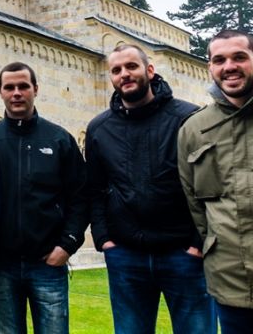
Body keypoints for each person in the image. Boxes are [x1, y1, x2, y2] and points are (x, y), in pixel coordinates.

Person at [85, 43, 216, 334]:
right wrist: (104, 238)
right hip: (126, 254)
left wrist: (198, 243)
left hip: (183, 253)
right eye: (116, 70)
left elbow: (209, 184)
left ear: (150, 70)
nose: (124, 74)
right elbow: (94, 188)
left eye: (132, 66)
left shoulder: (188, 118)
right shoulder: (99, 128)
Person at [0, 62, 88, 334]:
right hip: (1, 265)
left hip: (47, 264)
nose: (16, 93)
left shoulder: (59, 139)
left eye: (23, 86)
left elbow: (80, 197)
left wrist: (67, 244)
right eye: (9, 87)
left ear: (36, 89)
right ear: (0, 92)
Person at [178, 29, 253, 334]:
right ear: (209, 66)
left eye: (239, 57)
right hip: (229, 280)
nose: (229, 66)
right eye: (219, 60)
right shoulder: (194, 129)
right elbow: (195, 203)